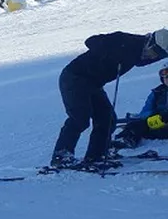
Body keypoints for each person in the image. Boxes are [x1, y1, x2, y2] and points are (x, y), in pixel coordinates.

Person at [51, 28, 168, 169]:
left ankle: (96, 155)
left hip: (94, 83)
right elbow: (91, 41)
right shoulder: (124, 40)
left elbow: (139, 60)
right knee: (80, 118)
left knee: (107, 118)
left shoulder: (142, 53)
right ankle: (61, 157)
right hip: (75, 78)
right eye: (156, 52)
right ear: (151, 44)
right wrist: (111, 53)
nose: (154, 57)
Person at [114, 66, 168, 149]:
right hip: (158, 125)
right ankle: (122, 142)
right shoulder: (158, 92)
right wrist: (153, 115)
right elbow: (145, 112)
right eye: (165, 76)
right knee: (136, 126)